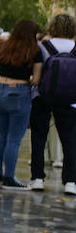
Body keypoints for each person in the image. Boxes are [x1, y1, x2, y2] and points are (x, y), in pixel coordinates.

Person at [28, 14, 76, 194]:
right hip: (70, 100)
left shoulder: (43, 47)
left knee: (39, 137)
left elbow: (36, 73)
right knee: (70, 140)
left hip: (43, 96)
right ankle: (71, 181)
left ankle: (38, 178)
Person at [0, 19, 42, 189]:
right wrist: (27, 81)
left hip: (0, 91)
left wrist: (10, 38)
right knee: (14, 138)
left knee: (3, 136)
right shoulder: (34, 51)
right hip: (19, 93)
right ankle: (9, 177)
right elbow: (36, 80)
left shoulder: (2, 46)